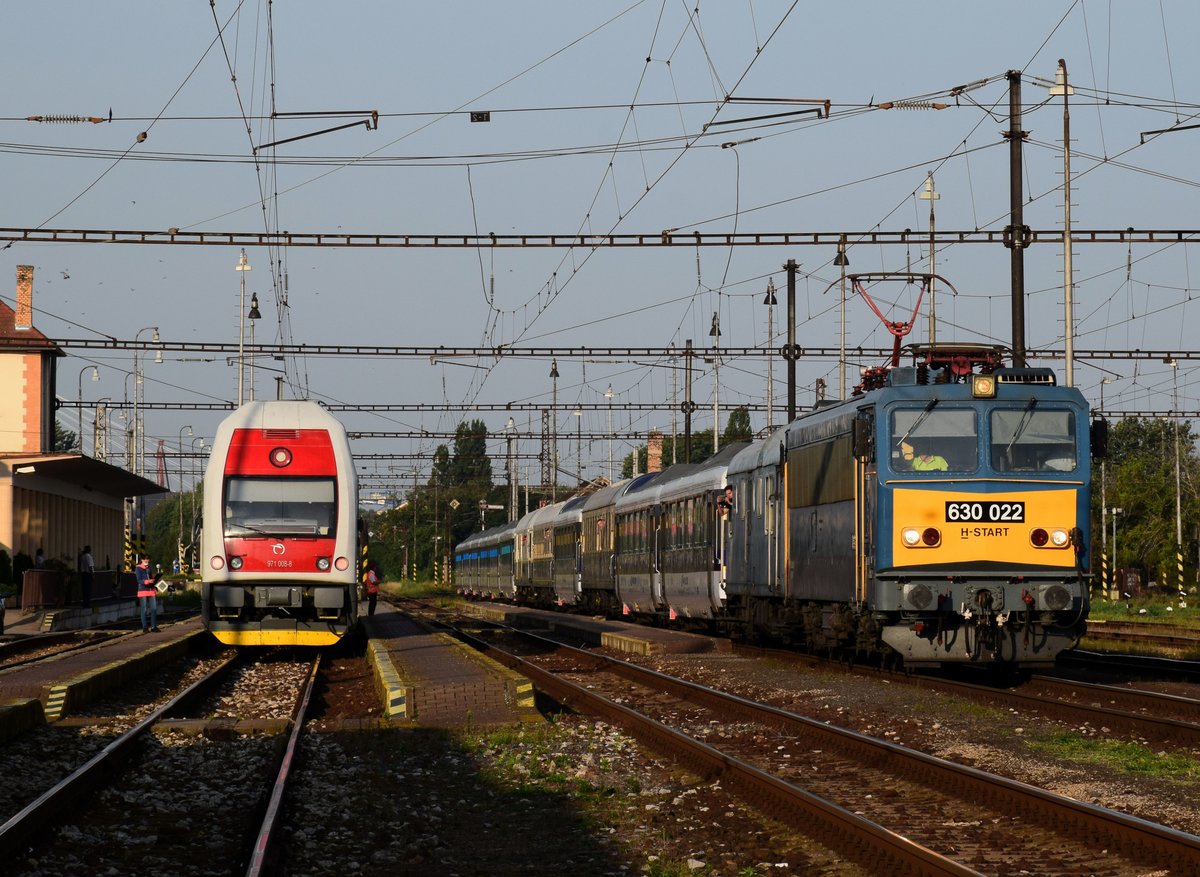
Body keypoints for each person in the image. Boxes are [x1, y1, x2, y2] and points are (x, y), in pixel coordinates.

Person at [136, 557, 159, 632]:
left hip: (151, 590)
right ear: (141, 560)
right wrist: (147, 581)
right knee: (144, 609)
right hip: (143, 590)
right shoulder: (138, 568)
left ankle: (153, 627)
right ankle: (145, 627)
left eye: (147, 559)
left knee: (154, 608)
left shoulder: (149, 568)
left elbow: (151, 578)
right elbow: (139, 580)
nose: (146, 561)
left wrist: (154, 585)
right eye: (144, 559)